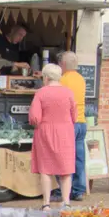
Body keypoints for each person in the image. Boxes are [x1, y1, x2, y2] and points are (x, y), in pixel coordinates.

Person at [28, 63, 77, 206]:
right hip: (65, 132)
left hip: (45, 132)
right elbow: (74, 115)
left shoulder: (41, 93)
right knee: (66, 169)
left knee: (46, 169)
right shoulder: (68, 92)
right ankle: (66, 202)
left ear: (47, 77)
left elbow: (34, 118)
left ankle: (46, 203)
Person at [58, 51, 88, 200]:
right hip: (82, 122)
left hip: (69, 123)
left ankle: (62, 190)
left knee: (64, 158)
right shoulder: (81, 79)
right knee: (79, 158)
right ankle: (79, 190)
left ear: (62, 65)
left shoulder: (63, 79)